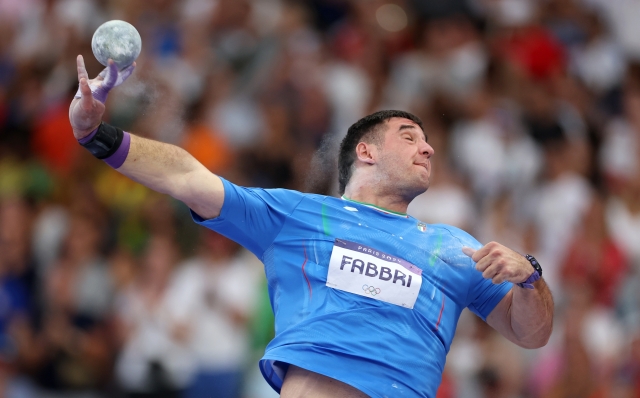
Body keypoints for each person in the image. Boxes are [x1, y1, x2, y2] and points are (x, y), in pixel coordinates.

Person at [69, 57, 554, 398]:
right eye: (410, 137)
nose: (427, 149)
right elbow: (187, 177)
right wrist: (97, 135)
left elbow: (530, 334)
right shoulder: (297, 215)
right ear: (366, 152)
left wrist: (529, 277)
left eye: (428, 141)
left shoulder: (454, 246)